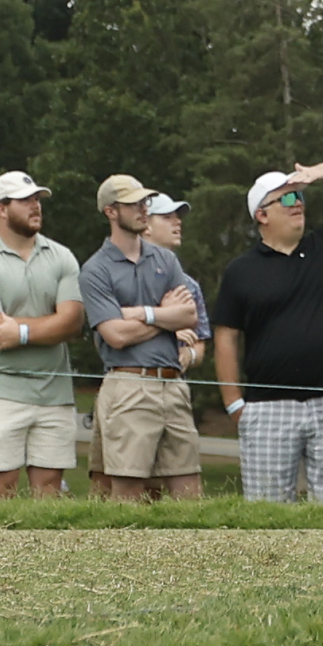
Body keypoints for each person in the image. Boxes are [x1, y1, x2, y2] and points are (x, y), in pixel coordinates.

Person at [213, 161, 323, 504]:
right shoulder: (241, 271)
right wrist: (233, 404)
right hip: (268, 407)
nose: (299, 203)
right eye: (288, 198)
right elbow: (226, 338)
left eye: (301, 197)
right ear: (262, 215)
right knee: (268, 513)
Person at [0, 171, 85, 499]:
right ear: (1, 209)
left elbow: (72, 323)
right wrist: (46, 325)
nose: (36, 206)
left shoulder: (61, 257)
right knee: (2, 487)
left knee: (49, 489)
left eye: (37, 200)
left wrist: (23, 330)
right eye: (26, 200)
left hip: (54, 391)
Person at [85, 174, 213, 502]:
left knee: (190, 495)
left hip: (173, 386)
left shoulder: (166, 260)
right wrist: (162, 315)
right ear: (111, 212)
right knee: (128, 495)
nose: (143, 209)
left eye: (144, 203)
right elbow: (115, 335)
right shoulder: (96, 270)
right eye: (133, 204)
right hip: (129, 385)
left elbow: (188, 316)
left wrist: (137, 313)